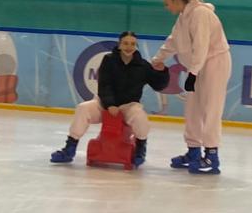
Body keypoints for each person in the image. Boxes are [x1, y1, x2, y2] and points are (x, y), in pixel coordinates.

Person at [51, 32, 169, 168]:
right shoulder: (108, 60)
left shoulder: (143, 65)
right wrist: (110, 104)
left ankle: (140, 149)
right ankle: (69, 148)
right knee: (83, 108)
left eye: (132, 44)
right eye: (125, 43)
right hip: (104, 104)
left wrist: (162, 72)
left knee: (140, 117)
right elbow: (104, 84)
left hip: (129, 106)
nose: (129, 47)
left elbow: (159, 85)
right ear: (119, 45)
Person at [151, 0, 231, 175]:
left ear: (178, 0)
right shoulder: (183, 17)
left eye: (167, 3)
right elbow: (173, 40)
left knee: (211, 108)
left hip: (214, 63)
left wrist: (193, 73)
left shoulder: (200, 14)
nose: (166, 7)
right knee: (192, 109)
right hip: (197, 66)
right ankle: (193, 151)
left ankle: (211, 155)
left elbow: (201, 45)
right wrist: (158, 59)